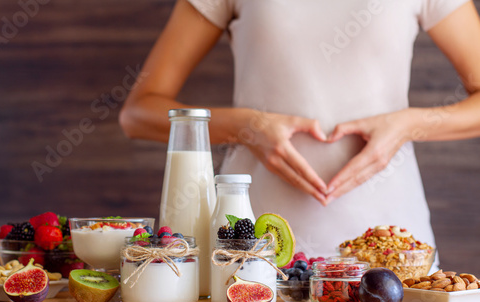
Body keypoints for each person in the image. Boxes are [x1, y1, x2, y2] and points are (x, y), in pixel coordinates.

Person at [119, 0, 480, 260]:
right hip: (252, 250)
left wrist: (408, 125)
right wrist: (248, 126)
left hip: (394, 251)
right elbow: (138, 111)